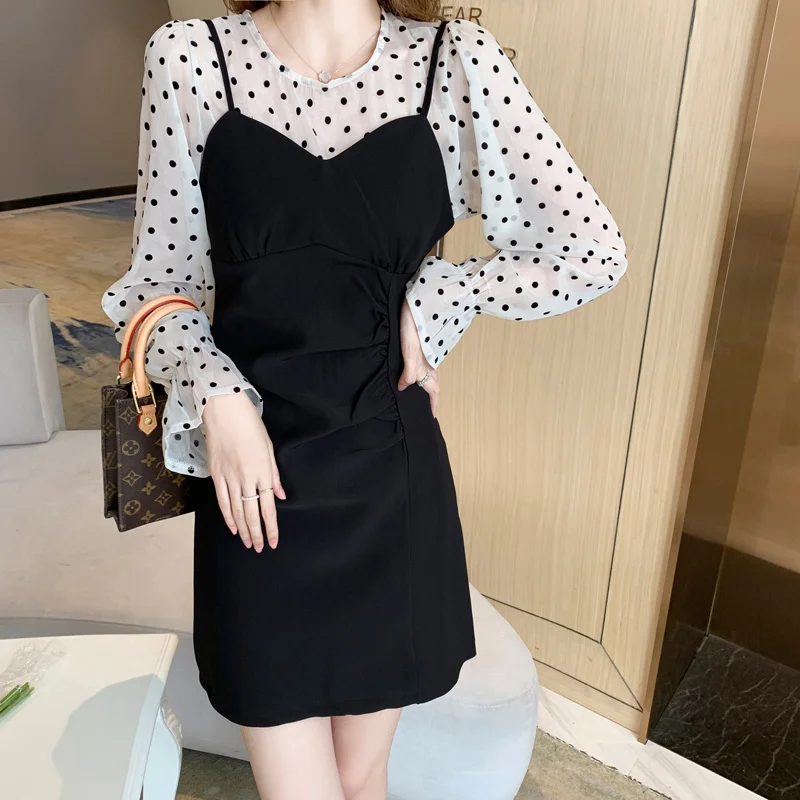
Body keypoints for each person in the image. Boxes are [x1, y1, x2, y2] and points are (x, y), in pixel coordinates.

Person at [101, 0, 627, 797]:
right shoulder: (189, 55)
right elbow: (156, 283)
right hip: (255, 488)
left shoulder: (456, 62)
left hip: (390, 481)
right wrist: (218, 394)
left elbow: (590, 249)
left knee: (360, 773)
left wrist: (444, 297)